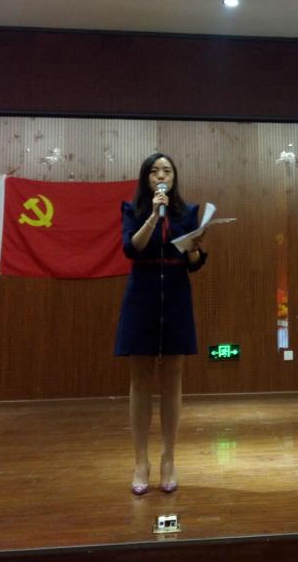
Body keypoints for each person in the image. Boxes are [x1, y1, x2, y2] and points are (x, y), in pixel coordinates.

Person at [114, 153, 207, 495]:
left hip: (177, 298)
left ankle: (169, 458)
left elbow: (193, 263)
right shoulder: (133, 210)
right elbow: (132, 248)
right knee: (140, 379)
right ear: (146, 179)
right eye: (154, 171)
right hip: (142, 296)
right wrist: (154, 215)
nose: (161, 176)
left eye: (167, 171)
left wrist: (195, 249)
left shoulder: (188, 213)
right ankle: (141, 461)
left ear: (174, 177)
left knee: (172, 379)